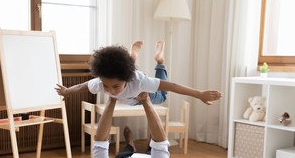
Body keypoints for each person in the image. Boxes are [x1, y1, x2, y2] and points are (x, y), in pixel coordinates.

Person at [55, 41, 222, 106]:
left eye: (116, 86)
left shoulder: (140, 82)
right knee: (130, 63)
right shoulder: (102, 81)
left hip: (143, 93)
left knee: (162, 96)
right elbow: (83, 87)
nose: (111, 91)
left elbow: (172, 86)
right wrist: (67, 91)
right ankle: (133, 53)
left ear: (126, 80)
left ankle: (160, 61)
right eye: (106, 86)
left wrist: (199, 94)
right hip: (130, 84)